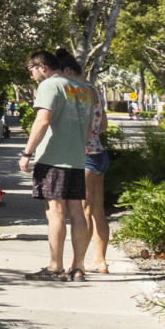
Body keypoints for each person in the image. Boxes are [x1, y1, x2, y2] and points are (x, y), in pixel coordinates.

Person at [22, 48, 93, 279]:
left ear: (43, 67)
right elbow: (91, 129)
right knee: (77, 212)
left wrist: (27, 152)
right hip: (76, 158)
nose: (31, 75)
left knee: (56, 212)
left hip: (53, 158)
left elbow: (42, 121)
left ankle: (55, 267)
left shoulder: (50, 85)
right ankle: (79, 267)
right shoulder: (83, 89)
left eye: (30, 70)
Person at [65, 51, 114, 274]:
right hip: (99, 152)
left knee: (82, 210)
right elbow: (102, 124)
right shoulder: (94, 90)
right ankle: (100, 260)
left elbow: (80, 122)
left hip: (84, 154)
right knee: (97, 209)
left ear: (68, 72)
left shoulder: (77, 91)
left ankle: (79, 263)